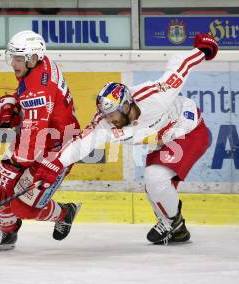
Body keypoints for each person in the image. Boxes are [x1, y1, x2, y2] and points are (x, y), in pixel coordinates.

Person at [33, 34, 219, 245]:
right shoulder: (105, 122)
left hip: (188, 130)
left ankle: (172, 223)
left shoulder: (154, 98)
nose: (109, 119)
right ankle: (176, 228)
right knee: (153, 184)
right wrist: (54, 164)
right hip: (161, 140)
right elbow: (80, 145)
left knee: (155, 176)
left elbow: (179, 67)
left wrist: (202, 50)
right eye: (105, 114)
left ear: (126, 106)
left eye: (113, 113)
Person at [0, 31, 82, 251]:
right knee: (1, 190)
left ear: (33, 58)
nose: (13, 63)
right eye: (12, 57)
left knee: (24, 207)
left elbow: (32, 144)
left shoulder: (38, 90)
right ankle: (7, 234)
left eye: (18, 58)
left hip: (58, 149)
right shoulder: (37, 67)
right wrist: (12, 104)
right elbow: (28, 101)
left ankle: (65, 212)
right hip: (42, 137)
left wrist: (14, 164)